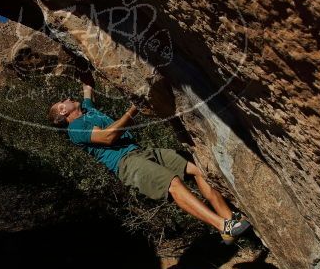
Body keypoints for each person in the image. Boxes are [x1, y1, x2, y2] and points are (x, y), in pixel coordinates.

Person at [48, 78, 251, 244]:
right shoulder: (75, 129)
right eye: (61, 102)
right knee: (173, 183)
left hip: (142, 152)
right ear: (63, 112)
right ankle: (222, 225)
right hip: (126, 163)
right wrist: (133, 110)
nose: (66, 98)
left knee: (198, 168)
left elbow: (87, 87)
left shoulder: (88, 109)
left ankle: (228, 222)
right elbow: (108, 136)